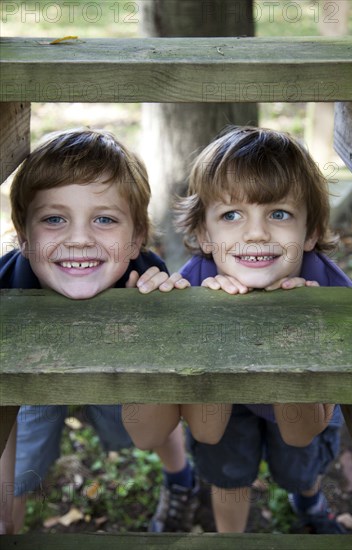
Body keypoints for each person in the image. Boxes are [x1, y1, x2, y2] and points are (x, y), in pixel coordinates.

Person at [0, 128, 193, 534]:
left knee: (151, 431)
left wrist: (157, 311)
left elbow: (163, 394)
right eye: (54, 219)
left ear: (137, 236)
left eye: (104, 219)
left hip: (119, 367)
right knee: (18, 466)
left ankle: (180, 479)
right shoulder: (7, 289)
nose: (79, 239)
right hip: (31, 379)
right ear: (23, 236)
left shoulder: (144, 277)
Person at [173, 125, 352, 533]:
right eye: (231, 215)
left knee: (298, 466)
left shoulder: (331, 295)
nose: (256, 233)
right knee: (227, 470)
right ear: (204, 233)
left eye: (279, 213)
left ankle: (308, 501)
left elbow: (300, 432)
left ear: (309, 233)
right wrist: (210, 313)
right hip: (229, 399)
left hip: (300, 405)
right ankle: (230, 538)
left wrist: (301, 331)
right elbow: (205, 423)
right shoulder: (195, 281)